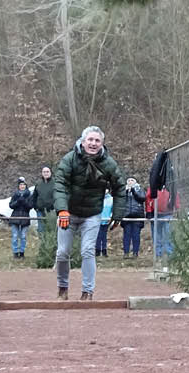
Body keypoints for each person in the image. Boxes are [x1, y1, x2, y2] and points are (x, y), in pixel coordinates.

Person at [53, 126, 126, 300]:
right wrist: (62, 210)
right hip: (68, 213)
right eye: (90, 140)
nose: (93, 143)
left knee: (87, 251)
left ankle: (87, 292)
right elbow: (60, 185)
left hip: (92, 214)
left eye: (97, 140)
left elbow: (119, 188)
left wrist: (117, 215)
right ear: (83, 141)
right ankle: (62, 288)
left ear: (102, 144)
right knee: (62, 252)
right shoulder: (69, 159)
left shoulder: (109, 163)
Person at [121, 177, 147, 257]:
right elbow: (120, 199)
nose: (130, 181)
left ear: (135, 182)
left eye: (132, 180)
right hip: (126, 216)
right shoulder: (123, 190)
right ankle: (126, 253)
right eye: (128, 180)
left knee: (136, 235)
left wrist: (134, 191)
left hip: (137, 216)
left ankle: (135, 252)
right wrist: (126, 191)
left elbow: (142, 198)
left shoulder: (140, 189)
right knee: (126, 235)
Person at [8, 178, 32, 258]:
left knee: (23, 236)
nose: (22, 186)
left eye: (23, 185)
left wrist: (24, 202)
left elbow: (30, 206)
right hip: (15, 217)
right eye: (21, 185)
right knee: (15, 236)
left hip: (25, 217)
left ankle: (22, 252)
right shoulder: (15, 194)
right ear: (18, 186)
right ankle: (15, 252)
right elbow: (11, 205)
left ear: (26, 186)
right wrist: (17, 202)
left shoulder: (29, 195)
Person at [96, 192, 113, 257]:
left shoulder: (111, 199)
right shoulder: (98, 198)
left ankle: (104, 250)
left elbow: (112, 209)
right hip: (98, 219)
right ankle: (97, 250)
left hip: (107, 220)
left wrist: (111, 217)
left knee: (104, 236)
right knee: (98, 236)